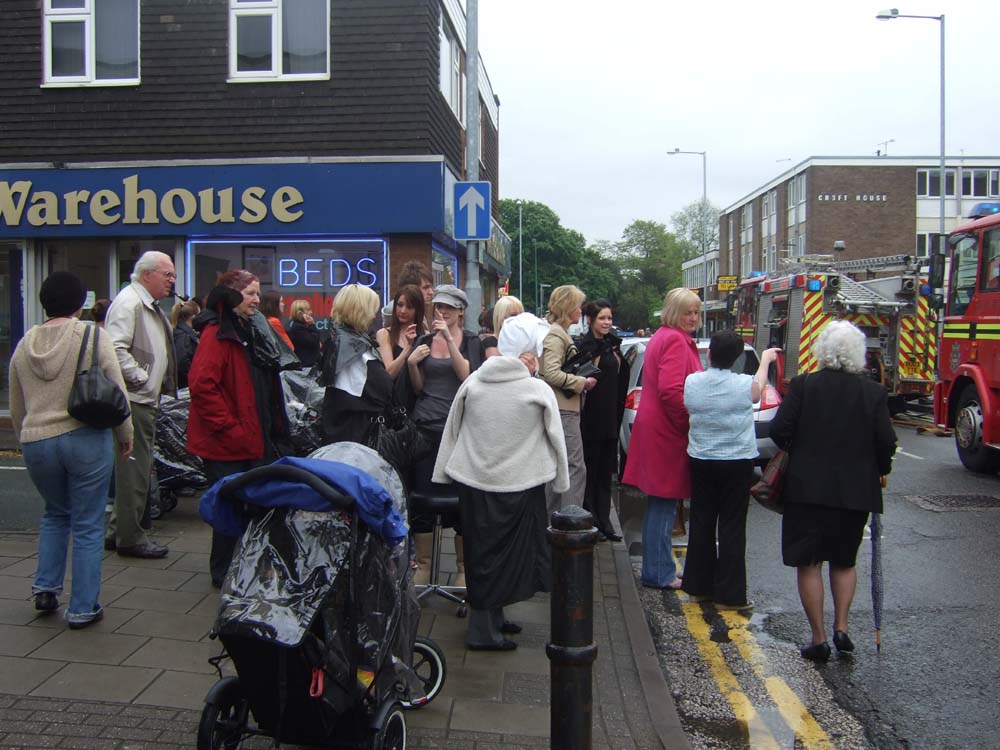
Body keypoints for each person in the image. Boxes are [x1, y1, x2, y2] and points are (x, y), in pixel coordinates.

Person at [433, 312, 568, 650]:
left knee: (482, 555)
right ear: (527, 354)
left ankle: (494, 620)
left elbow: (453, 429)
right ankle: (483, 634)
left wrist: (442, 472)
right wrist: (562, 481)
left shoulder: (474, 382)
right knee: (513, 557)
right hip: (522, 485)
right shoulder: (537, 389)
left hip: (474, 484)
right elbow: (557, 438)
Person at [9, 272, 133, 628]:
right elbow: (116, 389)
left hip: (37, 440)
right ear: (80, 303)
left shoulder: (24, 343)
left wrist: (27, 438)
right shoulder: (93, 334)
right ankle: (82, 607)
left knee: (54, 513)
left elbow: (17, 405)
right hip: (84, 436)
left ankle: (45, 588)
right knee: (88, 523)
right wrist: (126, 434)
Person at [769, 320, 896, 661]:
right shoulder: (873, 393)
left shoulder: (804, 385)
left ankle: (818, 638)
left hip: (807, 489)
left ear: (822, 350)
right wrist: (879, 469)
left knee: (809, 564)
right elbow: (886, 442)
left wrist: (800, 448)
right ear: (858, 354)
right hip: (855, 492)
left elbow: (779, 429)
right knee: (844, 561)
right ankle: (842, 628)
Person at [187, 269, 291, 587]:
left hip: (248, 437)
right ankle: (224, 573)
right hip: (228, 443)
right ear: (232, 297)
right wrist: (229, 428)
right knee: (229, 509)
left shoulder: (246, 329)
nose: (257, 300)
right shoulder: (217, 334)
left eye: (259, 294)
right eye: (250, 294)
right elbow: (202, 384)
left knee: (244, 505)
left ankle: (241, 567)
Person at [682, 331, 780, 609]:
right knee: (732, 526)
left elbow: (688, 406)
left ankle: (698, 587)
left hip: (701, 458)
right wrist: (766, 361)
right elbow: (758, 388)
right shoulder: (743, 384)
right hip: (737, 461)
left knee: (701, 522)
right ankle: (730, 595)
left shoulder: (692, 381)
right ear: (737, 358)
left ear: (710, 353)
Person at [621, 288, 702, 589]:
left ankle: (659, 569)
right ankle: (660, 572)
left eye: (696, 312)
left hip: (656, 427)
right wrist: (687, 425)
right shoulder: (675, 341)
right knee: (664, 504)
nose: (693, 318)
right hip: (667, 431)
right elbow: (671, 391)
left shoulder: (663, 336)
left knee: (661, 504)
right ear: (673, 312)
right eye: (687, 312)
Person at [406, 284, 484, 586]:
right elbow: (417, 387)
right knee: (422, 499)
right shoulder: (425, 340)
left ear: (461, 311)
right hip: (425, 426)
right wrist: (413, 364)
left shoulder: (471, 341)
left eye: (449, 308)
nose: (442, 312)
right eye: (438, 306)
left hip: (458, 430)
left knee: (461, 499)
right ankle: (423, 565)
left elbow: (467, 375)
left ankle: (463, 569)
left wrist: (450, 339)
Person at [104, 251, 177, 559]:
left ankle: (119, 529)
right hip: (135, 400)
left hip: (143, 398)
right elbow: (114, 348)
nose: (172, 280)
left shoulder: (143, 302)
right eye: (167, 274)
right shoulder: (130, 303)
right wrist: (143, 379)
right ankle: (131, 538)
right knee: (135, 470)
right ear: (147, 274)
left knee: (135, 469)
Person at [538, 284, 597, 515]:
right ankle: (571, 521)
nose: (581, 309)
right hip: (563, 409)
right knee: (574, 466)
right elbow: (550, 372)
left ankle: (552, 523)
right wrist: (581, 382)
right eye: (578, 305)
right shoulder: (555, 334)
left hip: (563, 407)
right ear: (568, 307)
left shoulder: (556, 332)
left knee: (558, 466)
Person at [576, 299, 630, 542]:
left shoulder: (613, 345)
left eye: (609, 318)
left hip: (612, 415)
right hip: (592, 417)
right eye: (602, 318)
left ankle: (605, 521)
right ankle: (591, 521)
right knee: (591, 470)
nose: (607, 322)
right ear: (590, 320)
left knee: (607, 472)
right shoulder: (586, 347)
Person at [318, 284, 395, 445]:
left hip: (344, 429)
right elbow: (383, 388)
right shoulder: (351, 345)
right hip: (355, 434)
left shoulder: (343, 339)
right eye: (372, 309)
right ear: (361, 310)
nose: (374, 316)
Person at [376, 285, 425, 381]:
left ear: (417, 310)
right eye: (400, 305)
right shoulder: (385, 334)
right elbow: (389, 373)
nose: (403, 311)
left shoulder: (424, 335)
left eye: (409, 307)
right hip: (392, 393)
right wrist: (408, 348)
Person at [170, 300, 201, 389]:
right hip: (185, 385)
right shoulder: (184, 336)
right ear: (193, 317)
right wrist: (194, 379)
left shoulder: (179, 333)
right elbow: (182, 362)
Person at [398, 260, 436, 330]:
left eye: (431, 287)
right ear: (411, 288)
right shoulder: (396, 312)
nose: (431, 292)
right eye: (425, 287)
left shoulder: (419, 312)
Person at [285, 299, 322, 367]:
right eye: (308, 310)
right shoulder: (298, 328)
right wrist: (312, 324)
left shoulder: (298, 326)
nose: (311, 312)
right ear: (300, 313)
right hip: (305, 366)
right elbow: (314, 342)